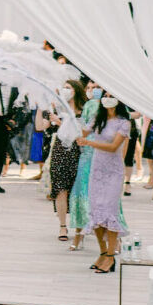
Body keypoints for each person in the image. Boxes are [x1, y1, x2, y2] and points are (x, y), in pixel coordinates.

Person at [77, 94, 131, 274]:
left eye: (111, 96)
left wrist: (89, 142)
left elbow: (114, 147)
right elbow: (82, 133)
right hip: (97, 170)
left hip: (113, 172)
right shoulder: (97, 118)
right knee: (96, 210)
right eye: (105, 95)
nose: (107, 98)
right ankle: (102, 252)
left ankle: (110, 255)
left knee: (109, 211)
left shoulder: (124, 123)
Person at [48, 79, 85, 242]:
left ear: (76, 90)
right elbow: (40, 126)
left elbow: (84, 132)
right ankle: (63, 226)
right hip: (60, 149)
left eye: (68, 88)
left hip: (79, 151)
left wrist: (60, 122)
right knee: (60, 187)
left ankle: (80, 225)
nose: (65, 90)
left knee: (78, 189)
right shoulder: (58, 108)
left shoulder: (86, 110)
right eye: (63, 87)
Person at [68, 82, 101, 251]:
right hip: (87, 154)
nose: (92, 90)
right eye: (89, 87)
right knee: (80, 193)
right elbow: (84, 129)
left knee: (104, 197)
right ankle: (78, 234)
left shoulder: (112, 108)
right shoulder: (88, 105)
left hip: (104, 156)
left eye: (96, 86)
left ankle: (113, 238)